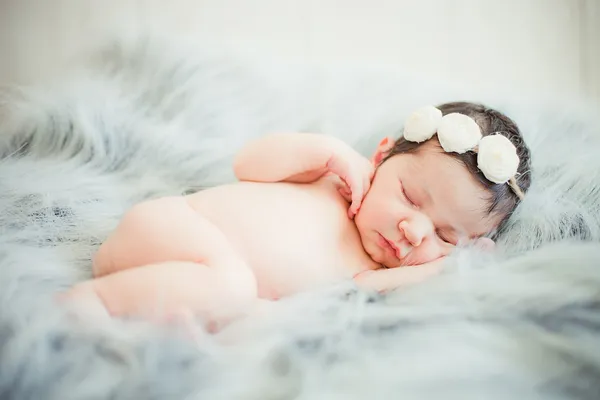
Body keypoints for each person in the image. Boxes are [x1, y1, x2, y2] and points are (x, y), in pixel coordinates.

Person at [60, 101, 532, 331]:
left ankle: (138, 322)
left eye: (446, 236)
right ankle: (90, 303)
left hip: (183, 288)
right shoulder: (335, 183)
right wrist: (326, 153)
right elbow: (248, 164)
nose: (415, 230)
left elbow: (364, 293)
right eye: (409, 196)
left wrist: (446, 266)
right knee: (234, 287)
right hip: (171, 229)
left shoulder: (369, 272)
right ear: (379, 158)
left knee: (245, 321)